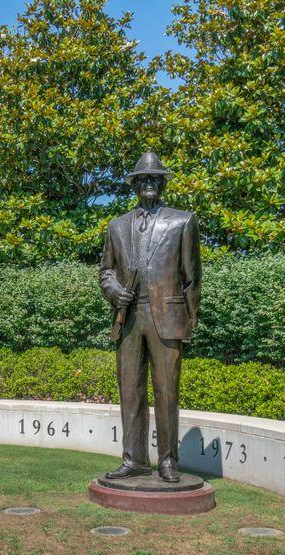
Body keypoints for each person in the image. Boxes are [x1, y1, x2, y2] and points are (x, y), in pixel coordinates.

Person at [98, 152, 201, 483]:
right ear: (134, 185)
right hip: (128, 317)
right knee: (130, 390)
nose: (149, 184)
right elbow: (106, 272)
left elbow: (192, 278)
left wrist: (189, 321)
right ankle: (134, 459)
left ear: (163, 183)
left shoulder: (183, 221)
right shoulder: (116, 226)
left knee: (166, 390)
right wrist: (114, 291)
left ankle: (168, 461)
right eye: (143, 179)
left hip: (167, 317)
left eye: (155, 179)